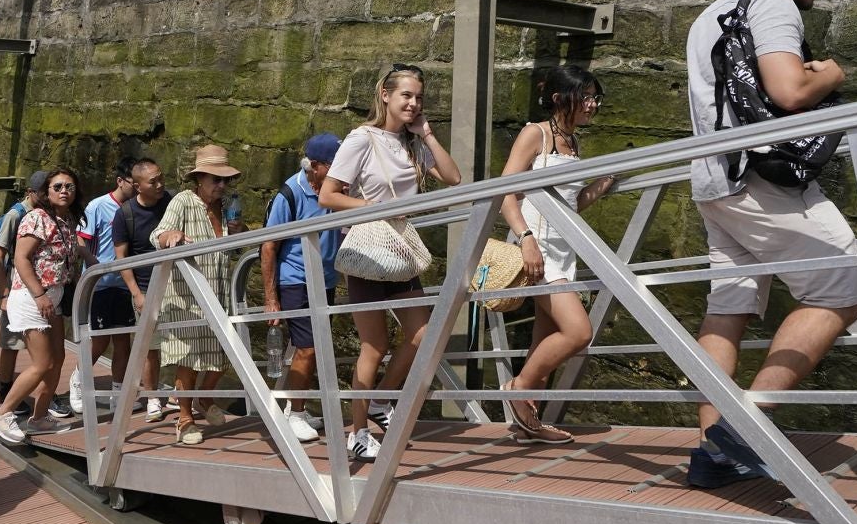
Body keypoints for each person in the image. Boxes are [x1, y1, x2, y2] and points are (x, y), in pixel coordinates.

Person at [682, 0, 857, 488]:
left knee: (730, 309)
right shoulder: (771, 2)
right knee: (843, 287)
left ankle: (713, 452)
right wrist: (832, 73)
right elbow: (788, 92)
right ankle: (743, 429)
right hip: (763, 179)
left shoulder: (708, 15)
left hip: (717, 181)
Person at [320, 64, 464, 460]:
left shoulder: (413, 143)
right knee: (374, 344)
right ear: (385, 94)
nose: (414, 103)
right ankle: (358, 429)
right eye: (406, 95)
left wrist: (428, 134)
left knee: (422, 335)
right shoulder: (362, 139)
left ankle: (383, 400)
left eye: (419, 97)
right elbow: (328, 196)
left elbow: (453, 178)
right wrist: (372, 208)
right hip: (367, 249)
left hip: (399, 251)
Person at [496, 65, 617, 445]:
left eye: (595, 97)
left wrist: (601, 186)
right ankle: (518, 388)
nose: (592, 104)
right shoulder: (536, 134)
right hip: (537, 250)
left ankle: (528, 424)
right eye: (586, 96)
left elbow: (569, 204)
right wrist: (526, 238)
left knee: (543, 342)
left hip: (562, 252)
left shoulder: (574, 142)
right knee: (579, 331)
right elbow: (505, 194)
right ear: (559, 99)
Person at [154, 145, 247, 445]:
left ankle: (204, 399)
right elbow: (159, 233)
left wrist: (240, 231)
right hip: (185, 295)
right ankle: (184, 418)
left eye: (225, 180)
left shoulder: (227, 206)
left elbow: (234, 248)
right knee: (188, 357)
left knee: (224, 353)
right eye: (215, 180)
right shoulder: (184, 201)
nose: (222, 186)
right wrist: (170, 236)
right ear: (199, 179)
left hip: (218, 291)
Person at [0, 168, 89, 443]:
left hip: (52, 299)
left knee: (57, 360)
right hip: (33, 298)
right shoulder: (36, 218)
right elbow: (21, 259)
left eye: (69, 186)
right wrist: (39, 294)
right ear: (46, 192)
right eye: (57, 186)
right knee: (42, 363)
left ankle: (39, 417)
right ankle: (2, 413)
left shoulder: (66, 220)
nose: (64, 190)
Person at [260, 134, 345, 444]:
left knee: (316, 348)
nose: (343, 171)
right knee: (308, 348)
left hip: (325, 279)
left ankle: (298, 407)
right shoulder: (290, 194)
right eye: (337, 166)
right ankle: (294, 413)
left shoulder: (334, 190)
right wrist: (271, 298)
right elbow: (268, 246)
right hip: (295, 279)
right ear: (316, 166)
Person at [75, 157, 141, 415]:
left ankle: (117, 392)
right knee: (100, 341)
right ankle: (79, 381)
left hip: (125, 283)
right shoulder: (97, 206)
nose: (136, 189)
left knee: (123, 340)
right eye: (132, 184)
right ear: (120, 181)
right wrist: (97, 267)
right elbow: (81, 242)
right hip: (100, 284)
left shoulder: (138, 207)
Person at [112, 158, 174, 421]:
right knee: (151, 345)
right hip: (147, 286)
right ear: (138, 186)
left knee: (184, 339)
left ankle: (177, 395)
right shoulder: (125, 214)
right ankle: (152, 398)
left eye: (161, 178)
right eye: (153, 181)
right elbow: (122, 259)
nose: (160, 184)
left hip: (176, 283)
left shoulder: (171, 203)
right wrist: (136, 293)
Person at [0, 173, 47, 409]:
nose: (46, 196)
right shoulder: (16, 215)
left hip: (40, 287)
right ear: (30, 191)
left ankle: (45, 391)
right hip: (16, 287)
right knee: (11, 342)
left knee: (43, 345)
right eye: (42, 192)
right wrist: (4, 292)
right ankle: (5, 390)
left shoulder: (49, 214)